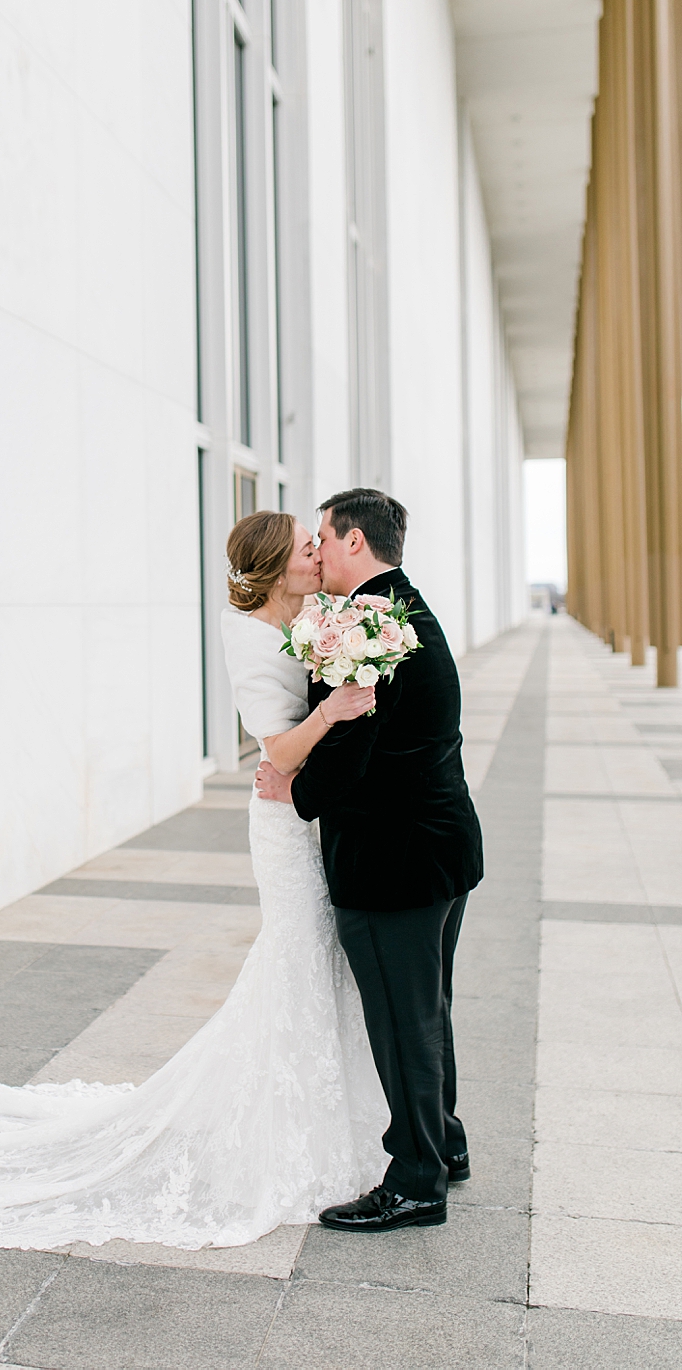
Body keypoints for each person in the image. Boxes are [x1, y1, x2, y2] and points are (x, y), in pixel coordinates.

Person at [0, 511, 387, 1252]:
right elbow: (275, 746)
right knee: (296, 956)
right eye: (307, 548)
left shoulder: (311, 616)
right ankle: (289, 1135)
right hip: (284, 829)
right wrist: (335, 712)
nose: (318, 555)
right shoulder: (248, 634)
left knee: (316, 962)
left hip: (310, 819)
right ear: (278, 564)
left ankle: (333, 1121)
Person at [255, 488, 483, 1232]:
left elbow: (351, 757)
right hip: (439, 849)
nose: (317, 552)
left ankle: (416, 1178)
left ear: (357, 540)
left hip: (394, 864)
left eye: (324, 536)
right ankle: (442, 1144)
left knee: (400, 1020)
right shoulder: (406, 606)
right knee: (427, 1010)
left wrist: (292, 786)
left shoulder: (361, 622)